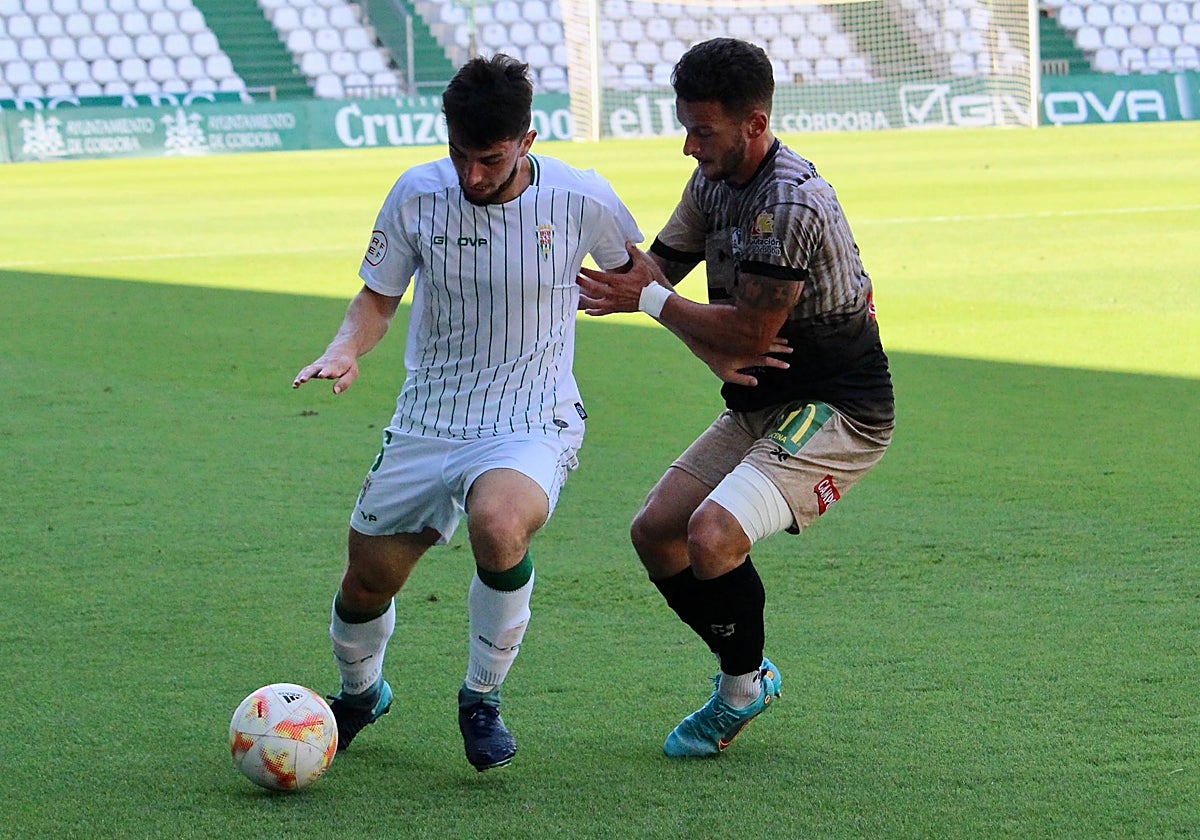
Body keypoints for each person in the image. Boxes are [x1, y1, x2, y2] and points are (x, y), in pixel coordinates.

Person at [293, 54, 641, 772]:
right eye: (460, 155)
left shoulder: (582, 198)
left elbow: (644, 273)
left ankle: (480, 699)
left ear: (528, 141)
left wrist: (720, 322)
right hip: (429, 417)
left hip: (531, 415)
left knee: (499, 522)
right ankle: (360, 694)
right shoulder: (417, 194)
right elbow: (377, 299)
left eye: (490, 159)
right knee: (366, 583)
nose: (473, 176)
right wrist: (346, 349)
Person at [577, 38, 894, 758]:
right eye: (685, 126)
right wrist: (576, 240)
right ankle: (748, 671)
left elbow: (748, 332)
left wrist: (653, 302)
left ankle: (743, 688)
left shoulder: (787, 201)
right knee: (655, 533)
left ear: (755, 124)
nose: (689, 146)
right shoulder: (715, 180)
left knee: (712, 535)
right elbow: (658, 267)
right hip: (765, 402)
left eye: (703, 130)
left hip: (839, 409)